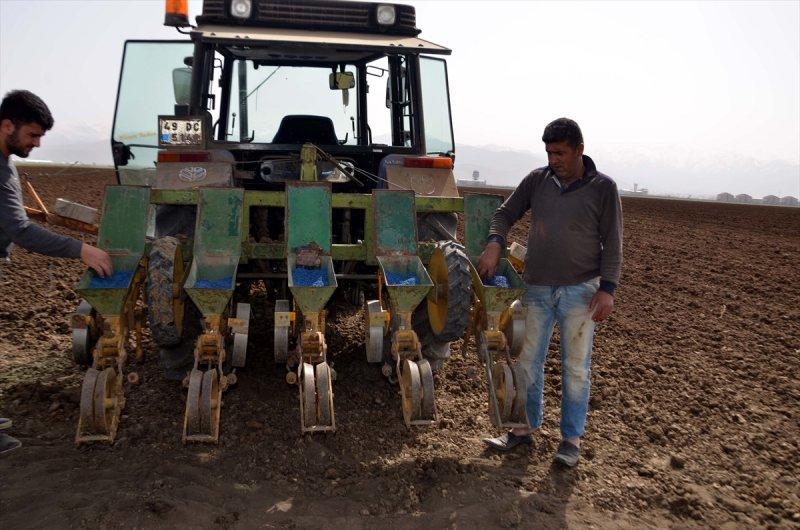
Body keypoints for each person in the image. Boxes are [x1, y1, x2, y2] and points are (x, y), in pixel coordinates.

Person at [478, 118, 622, 467]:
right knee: (527, 361)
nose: (553, 159)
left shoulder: (603, 188)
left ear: (579, 150)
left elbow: (613, 241)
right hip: (537, 287)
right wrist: (495, 243)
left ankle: (571, 440)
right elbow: (504, 213)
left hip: (581, 290)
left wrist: (607, 289)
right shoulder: (537, 180)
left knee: (576, 367)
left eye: (560, 153)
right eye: (549, 153)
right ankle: (523, 430)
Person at [0, 89, 113, 456]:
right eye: (32, 135)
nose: (36, 144)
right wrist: (82, 249)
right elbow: (20, 230)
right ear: (7, 126)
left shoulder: (6, 164)